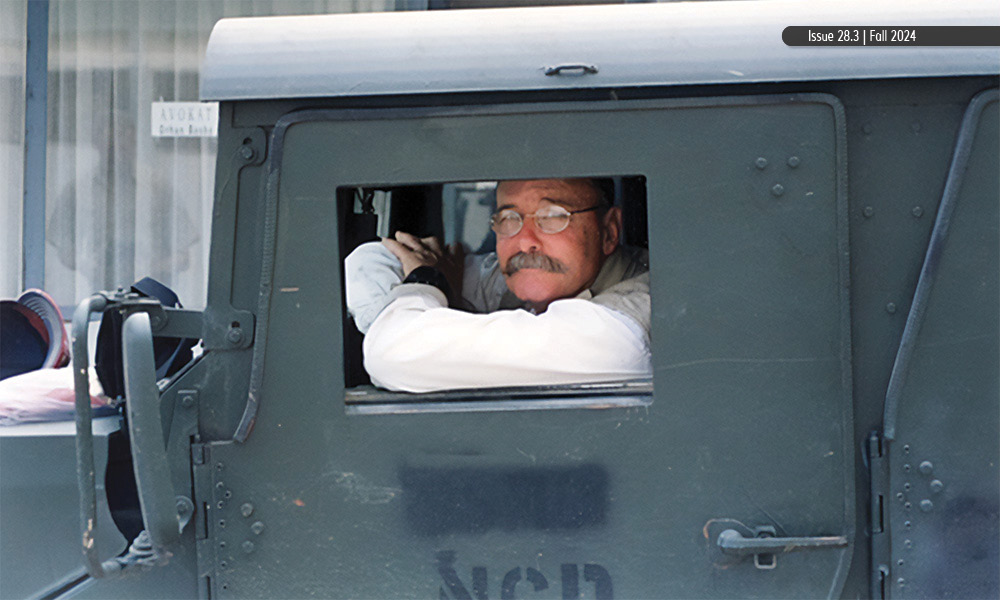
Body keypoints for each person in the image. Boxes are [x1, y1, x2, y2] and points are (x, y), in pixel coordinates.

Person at [344, 178, 650, 392]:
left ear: (609, 232)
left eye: (553, 216)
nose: (525, 242)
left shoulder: (639, 312)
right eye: (509, 218)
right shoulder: (527, 275)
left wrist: (427, 293)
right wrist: (437, 306)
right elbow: (373, 260)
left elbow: (394, 355)